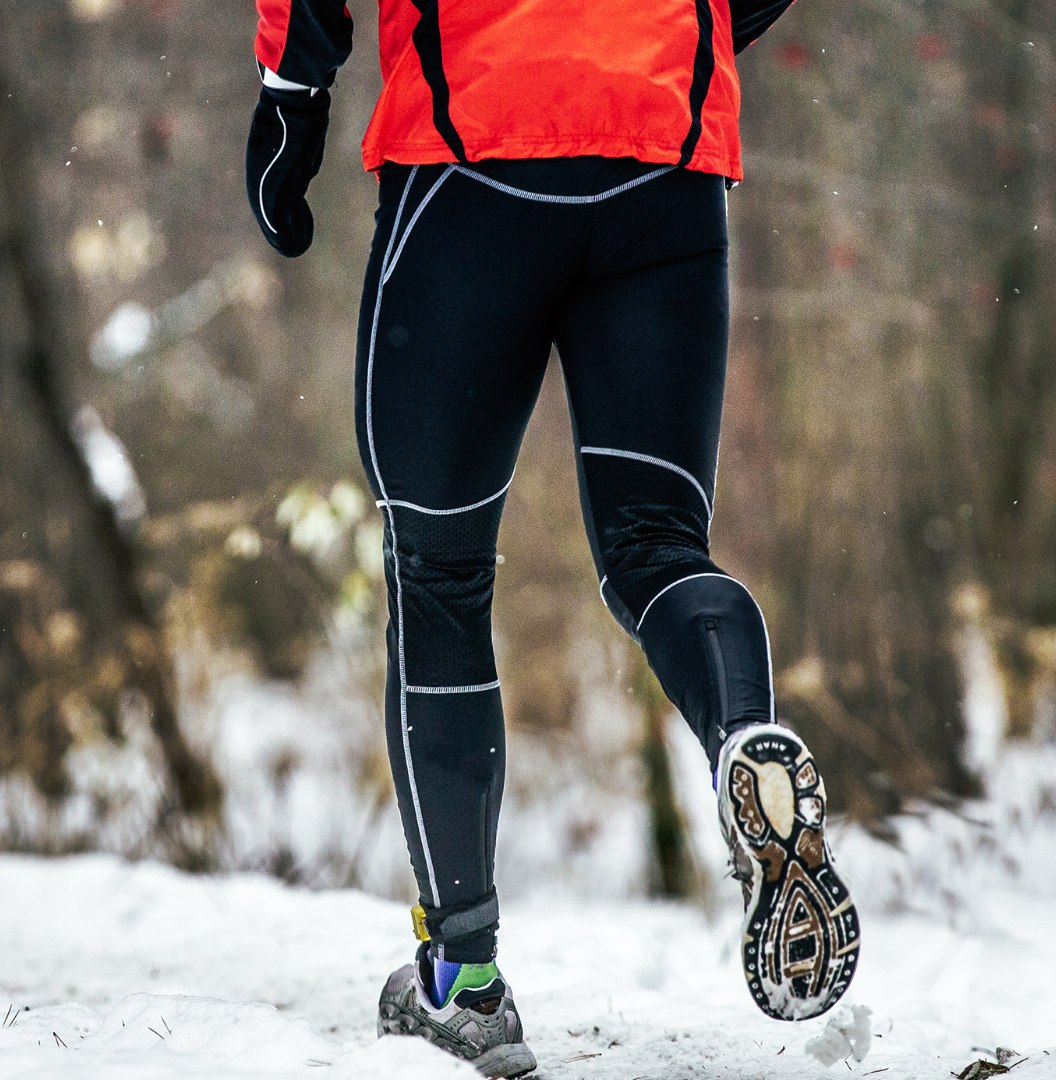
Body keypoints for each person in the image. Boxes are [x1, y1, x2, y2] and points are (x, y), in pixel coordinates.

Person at [244, 1, 859, 1074]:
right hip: (662, 155)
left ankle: (463, 978)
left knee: (437, 571)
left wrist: (293, 90)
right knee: (659, 546)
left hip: (472, 150)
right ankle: (743, 738)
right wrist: (683, 29)